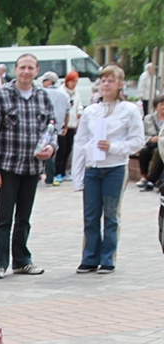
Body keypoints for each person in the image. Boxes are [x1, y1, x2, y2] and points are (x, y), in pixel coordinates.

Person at [0, 53, 54, 279]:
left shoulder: (43, 97)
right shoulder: (1, 96)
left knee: (24, 218)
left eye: (30, 68)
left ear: (37, 70)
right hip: (8, 167)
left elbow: (51, 128)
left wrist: (50, 148)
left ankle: (22, 261)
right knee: (4, 217)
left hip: (32, 168)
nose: (26, 71)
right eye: (22, 67)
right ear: (15, 69)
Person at [71, 65, 144, 274]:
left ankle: (108, 258)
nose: (106, 84)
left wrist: (114, 147)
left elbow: (138, 141)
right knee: (90, 215)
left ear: (120, 84)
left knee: (111, 215)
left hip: (115, 167)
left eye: (111, 81)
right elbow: (80, 142)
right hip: (93, 168)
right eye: (103, 80)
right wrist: (78, 175)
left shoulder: (128, 110)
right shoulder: (91, 111)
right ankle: (89, 257)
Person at [39, 72, 70, 187]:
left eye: (44, 80)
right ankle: (52, 176)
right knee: (55, 152)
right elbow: (67, 112)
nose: (42, 83)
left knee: (44, 151)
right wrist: (65, 126)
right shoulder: (64, 94)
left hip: (44, 126)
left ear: (50, 81)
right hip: (58, 127)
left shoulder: (42, 93)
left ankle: (45, 176)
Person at [54, 71, 83, 185]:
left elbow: (79, 104)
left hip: (72, 124)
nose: (74, 84)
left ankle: (64, 171)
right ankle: (58, 172)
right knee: (61, 149)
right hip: (62, 125)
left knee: (68, 149)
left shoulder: (76, 93)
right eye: (73, 81)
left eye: (76, 81)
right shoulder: (61, 92)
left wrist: (79, 112)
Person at [137, 95, 164, 190]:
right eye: (161, 105)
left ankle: (151, 180)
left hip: (161, 145)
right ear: (156, 107)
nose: (163, 107)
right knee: (144, 152)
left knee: (158, 152)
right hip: (150, 143)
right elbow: (141, 134)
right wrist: (151, 138)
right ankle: (144, 177)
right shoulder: (148, 118)